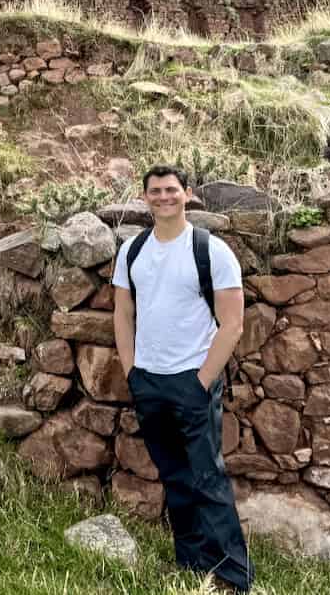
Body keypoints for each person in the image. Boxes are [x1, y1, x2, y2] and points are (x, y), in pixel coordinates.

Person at [111, 165, 253, 592]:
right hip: (148, 381)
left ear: (187, 194)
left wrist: (202, 379)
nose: (163, 197)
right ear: (145, 198)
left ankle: (233, 574)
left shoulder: (210, 250)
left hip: (192, 380)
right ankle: (191, 562)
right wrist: (131, 370)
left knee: (207, 478)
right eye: (155, 191)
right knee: (174, 475)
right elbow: (122, 313)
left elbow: (233, 324)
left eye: (171, 190)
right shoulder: (132, 251)